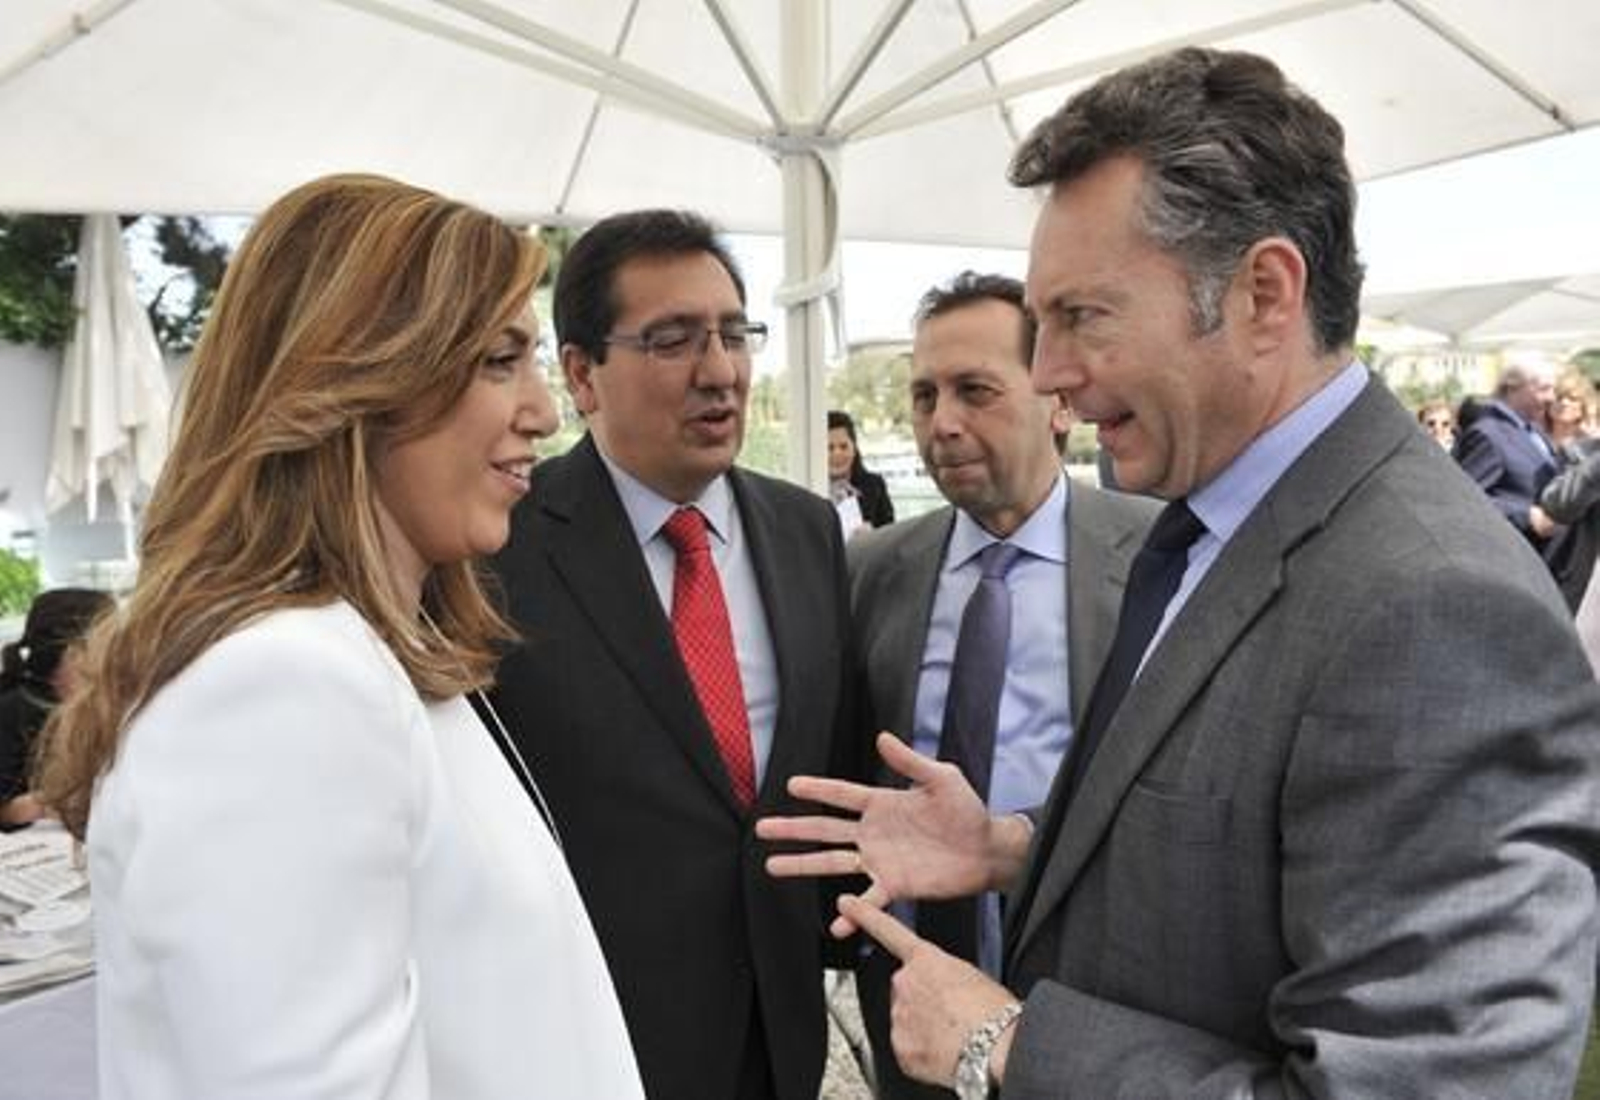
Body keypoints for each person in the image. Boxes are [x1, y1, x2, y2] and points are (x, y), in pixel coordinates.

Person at [760, 47, 1600, 1099]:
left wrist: (1007, 1043)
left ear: (1261, 293)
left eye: (1081, 316)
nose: (1049, 373)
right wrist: (1016, 848)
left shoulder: (1437, 607)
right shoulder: (1215, 527)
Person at [35, 174, 644, 1100]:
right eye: (496, 360)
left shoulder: (362, 656)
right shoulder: (285, 682)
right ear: (359, 380)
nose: (545, 411)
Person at [484, 208, 853, 1100]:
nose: (720, 371)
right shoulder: (498, 546)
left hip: (783, 1031)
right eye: (673, 340)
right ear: (581, 374)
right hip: (596, 1037)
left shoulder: (806, 529)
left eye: (733, 333)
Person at [848, 271, 1155, 1099]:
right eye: (923, 395)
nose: (940, 423)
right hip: (913, 990)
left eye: (975, 391)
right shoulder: (867, 569)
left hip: (1093, 1003)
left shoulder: (1163, 560)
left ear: (1058, 399)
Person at [0, 587, 112, 828]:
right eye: (110, 640)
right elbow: (4, 811)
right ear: (74, 651)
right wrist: (48, 802)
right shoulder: (12, 710)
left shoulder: (108, 702)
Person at [1453, 357, 1560, 549]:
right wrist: (1525, 516)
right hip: (1517, 555)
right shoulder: (1487, 434)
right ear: (1512, 388)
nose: (1552, 398)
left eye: (1553, 390)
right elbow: (1464, 499)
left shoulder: (1532, 429)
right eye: (1544, 389)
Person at [828, 409, 895, 534]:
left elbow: (890, 534)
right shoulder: (809, 488)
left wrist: (873, 535)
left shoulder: (875, 485)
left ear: (854, 448)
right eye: (829, 448)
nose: (837, 454)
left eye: (843, 446)